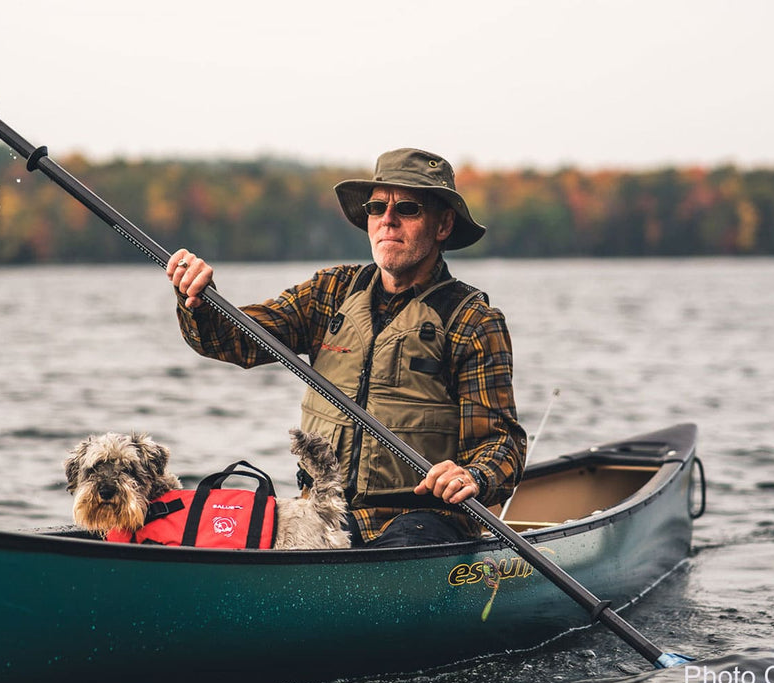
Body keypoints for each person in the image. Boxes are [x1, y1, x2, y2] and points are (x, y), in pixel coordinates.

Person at [165, 148, 525, 547]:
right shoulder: (331, 291)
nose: (387, 220)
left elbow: (502, 446)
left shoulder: (473, 320)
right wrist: (198, 300)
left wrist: (472, 476)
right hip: (323, 512)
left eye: (407, 208)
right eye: (376, 207)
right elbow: (234, 341)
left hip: (423, 520)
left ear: (442, 225)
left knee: (402, 546)